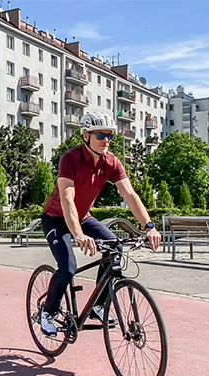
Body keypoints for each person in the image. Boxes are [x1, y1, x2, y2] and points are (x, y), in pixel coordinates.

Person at [40, 111, 162, 336]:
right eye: (100, 135)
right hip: (56, 218)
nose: (106, 140)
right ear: (86, 135)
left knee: (115, 246)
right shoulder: (71, 159)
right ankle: (47, 312)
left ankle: (98, 305)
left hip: (84, 216)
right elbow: (67, 198)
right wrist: (78, 235)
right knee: (68, 268)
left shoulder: (112, 162)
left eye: (110, 136)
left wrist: (149, 226)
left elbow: (130, 195)